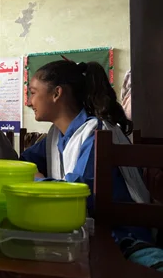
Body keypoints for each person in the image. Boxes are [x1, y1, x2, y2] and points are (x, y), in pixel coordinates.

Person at [21, 59, 153, 244]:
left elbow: (78, 193)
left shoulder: (96, 133)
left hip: (120, 239)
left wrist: (36, 178)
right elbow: (23, 162)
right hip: (85, 234)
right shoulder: (56, 136)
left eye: (33, 93)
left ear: (57, 93)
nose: (29, 101)